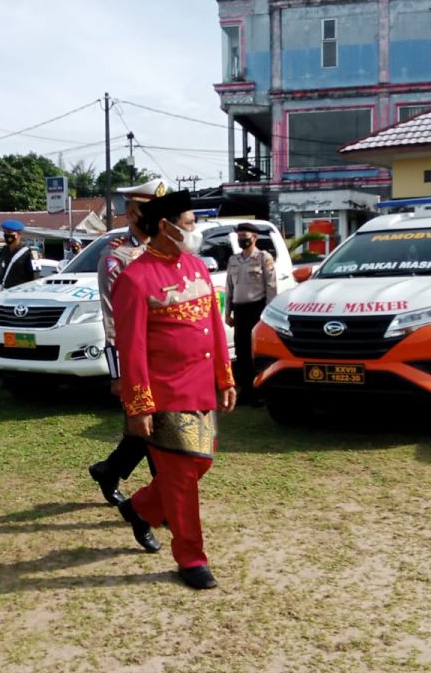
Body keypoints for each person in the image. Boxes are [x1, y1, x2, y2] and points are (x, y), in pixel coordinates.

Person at [111, 189, 237, 590]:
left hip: (200, 387)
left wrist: (225, 376)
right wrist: (139, 405)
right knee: (182, 476)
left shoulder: (198, 267)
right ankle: (191, 556)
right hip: (164, 392)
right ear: (164, 227)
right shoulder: (135, 277)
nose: (194, 230)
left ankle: (140, 507)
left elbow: (214, 326)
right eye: (188, 224)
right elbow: (130, 348)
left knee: (200, 463)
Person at [88, 178, 168, 505]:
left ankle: (110, 470)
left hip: (164, 356)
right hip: (135, 357)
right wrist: (118, 372)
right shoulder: (117, 257)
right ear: (134, 214)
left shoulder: (165, 250)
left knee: (151, 428)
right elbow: (112, 318)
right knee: (153, 429)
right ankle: (162, 500)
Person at [225, 222, 277, 405]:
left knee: (256, 353)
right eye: (239, 236)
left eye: (244, 236)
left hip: (257, 309)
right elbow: (229, 288)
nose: (241, 239)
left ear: (254, 237)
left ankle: (259, 392)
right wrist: (228, 313)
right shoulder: (234, 260)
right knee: (242, 353)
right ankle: (246, 392)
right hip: (240, 310)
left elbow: (271, 288)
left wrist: (267, 315)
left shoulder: (263, 258)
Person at [0, 219, 36, 290]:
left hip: (20, 292)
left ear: (18, 234)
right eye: (5, 232)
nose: (6, 235)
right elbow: (1, 273)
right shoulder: (3, 251)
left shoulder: (26, 252)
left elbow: (34, 276)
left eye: (9, 232)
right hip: (5, 292)